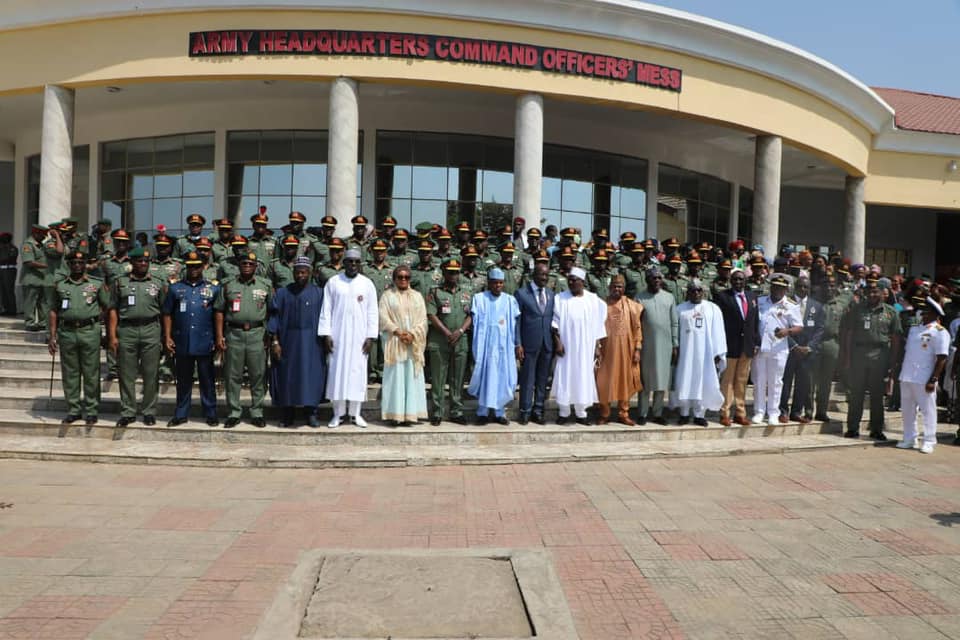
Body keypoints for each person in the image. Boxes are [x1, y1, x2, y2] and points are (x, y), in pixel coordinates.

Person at [318, 249, 379, 428]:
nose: (353, 265)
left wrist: (370, 337)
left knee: (357, 375)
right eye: (350, 261)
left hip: (360, 338)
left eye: (356, 262)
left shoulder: (367, 284)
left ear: (360, 264)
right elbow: (326, 310)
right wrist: (326, 334)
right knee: (337, 374)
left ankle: (355, 414)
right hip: (337, 337)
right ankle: (337, 413)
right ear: (344, 263)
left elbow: (372, 312)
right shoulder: (333, 282)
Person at [48, 251, 109, 426]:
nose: (77, 265)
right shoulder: (60, 285)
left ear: (85, 265)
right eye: (73, 262)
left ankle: (91, 410)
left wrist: (101, 325)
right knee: (70, 373)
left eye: (80, 262)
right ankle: (73, 409)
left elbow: (108, 307)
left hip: (89, 330)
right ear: (68, 264)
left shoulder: (96, 284)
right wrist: (52, 336)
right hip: (67, 332)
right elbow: (53, 310)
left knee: (91, 373)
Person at [107, 247, 167, 428]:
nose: (143, 264)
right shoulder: (119, 282)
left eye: (146, 261)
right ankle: (128, 411)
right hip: (127, 330)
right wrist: (111, 336)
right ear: (131, 263)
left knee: (151, 374)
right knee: (127, 374)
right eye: (139, 261)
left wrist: (166, 336)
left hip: (151, 329)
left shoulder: (158, 282)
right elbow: (112, 310)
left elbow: (165, 312)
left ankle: (149, 411)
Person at [214, 252, 273, 428]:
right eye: (244, 263)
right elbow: (219, 311)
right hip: (234, 334)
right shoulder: (228, 285)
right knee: (233, 376)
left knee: (258, 375)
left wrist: (270, 334)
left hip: (257, 334)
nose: (247, 265)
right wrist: (219, 336)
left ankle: (257, 412)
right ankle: (234, 412)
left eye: (250, 263)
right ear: (239, 265)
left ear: (256, 267)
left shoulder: (266, 285)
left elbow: (272, 311)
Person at [267, 256, 327, 427]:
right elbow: (274, 319)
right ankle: (287, 414)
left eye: (304, 272)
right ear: (292, 273)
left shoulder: (319, 293)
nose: (300, 275)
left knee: (312, 378)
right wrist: (275, 342)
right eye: (297, 272)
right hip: (288, 344)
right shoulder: (282, 293)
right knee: (287, 378)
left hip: (312, 345)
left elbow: (326, 318)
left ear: (310, 273)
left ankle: (311, 413)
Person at [163, 252, 220, 427]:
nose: (194, 269)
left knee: (207, 380)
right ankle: (181, 414)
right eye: (190, 266)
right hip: (182, 341)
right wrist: (167, 336)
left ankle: (210, 413)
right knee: (183, 380)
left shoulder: (214, 288)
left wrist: (218, 337)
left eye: (197, 266)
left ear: (203, 267)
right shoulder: (175, 288)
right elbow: (167, 313)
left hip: (205, 341)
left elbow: (218, 313)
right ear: (186, 267)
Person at [841, 278, 902, 439]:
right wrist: (847, 358)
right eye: (870, 292)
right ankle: (853, 428)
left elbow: (895, 338)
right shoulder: (857, 309)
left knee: (877, 396)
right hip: (859, 355)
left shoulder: (891, 312)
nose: (873, 294)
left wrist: (893, 362)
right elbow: (849, 333)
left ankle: (876, 429)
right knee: (856, 394)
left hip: (880, 357)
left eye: (876, 291)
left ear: (883, 293)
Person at [551, 267, 607, 425]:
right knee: (565, 375)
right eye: (569, 280)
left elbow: (598, 325)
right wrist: (558, 342)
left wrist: (597, 347)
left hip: (585, 347)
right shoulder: (560, 298)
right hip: (566, 346)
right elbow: (554, 323)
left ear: (582, 282)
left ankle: (581, 413)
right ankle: (564, 412)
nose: (571, 282)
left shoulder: (593, 300)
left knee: (583, 376)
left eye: (574, 280)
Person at [467, 268, 520, 425]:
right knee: (486, 378)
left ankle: (499, 413)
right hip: (486, 348)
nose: (498, 286)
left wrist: (517, 343)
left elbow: (516, 324)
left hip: (504, 347)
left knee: (502, 378)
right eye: (495, 283)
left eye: (500, 283)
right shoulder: (479, 298)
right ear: (489, 283)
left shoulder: (510, 300)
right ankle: (482, 412)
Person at [379, 265, 429, 426]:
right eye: (400, 277)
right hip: (395, 342)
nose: (403, 280)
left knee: (411, 378)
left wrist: (412, 334)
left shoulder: (417, 296)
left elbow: (423, 320)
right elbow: (382, 317)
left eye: (406, 277)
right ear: (394, 279)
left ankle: (411, 415)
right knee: (396, 378)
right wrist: (398, 332)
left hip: (412, 344)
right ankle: (395, 415)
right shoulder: (387, 296)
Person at [899, 297, 949, 454]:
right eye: (921, 310)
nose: (921, 314)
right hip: (907, 375)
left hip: (924, 377)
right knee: (907, 410)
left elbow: (942, 358)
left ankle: (929, 440)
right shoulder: (915, 328)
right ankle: (909, 438)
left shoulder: (940, 332)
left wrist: (933, 379)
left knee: (928, 411)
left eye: (925, 311)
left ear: (935, 314)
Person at [425, 259, 472, 425]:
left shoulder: (466, 292)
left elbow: (471, 315)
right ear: (443, 273)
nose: (453, 275)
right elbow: (431, 314)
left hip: (461, 341)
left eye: (456, 272)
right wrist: (446, 332)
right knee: (438, 378)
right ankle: (437, 412)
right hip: (440, 340)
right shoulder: (435, 292)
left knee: (457, 378)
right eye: (450, 272)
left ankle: (456, 411)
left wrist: (459, 331)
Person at [673, 280, 727, 426]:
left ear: (703, 292)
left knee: (702, 382)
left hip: (705, 356)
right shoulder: (680, 309)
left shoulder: (712, 308)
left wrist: (718, 353)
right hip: (685, 355)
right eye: (692, 290)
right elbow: (675, 333)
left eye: (699, 290)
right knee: (684, 381)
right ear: (687, 293)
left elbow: (719, 331)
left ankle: (699, 414)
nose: (696, 293)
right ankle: (684, 413)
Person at [752, 275, 803, 425]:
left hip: (779, 348)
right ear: (771, 287)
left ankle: (773, 412)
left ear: (786, 289)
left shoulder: (791, 305)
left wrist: (787, 331)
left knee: (776, 381)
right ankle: (759, 411)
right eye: (775, 287)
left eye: (781, 288)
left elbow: (799, 326)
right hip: (761, 348)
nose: (778, 290)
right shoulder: (760, 301)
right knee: (759, 380)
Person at [595, 275, 642, 425]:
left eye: (620, 286)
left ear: (624, 288)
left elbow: (637, 329)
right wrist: (596, 346)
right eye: (614, 286)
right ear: (609, 288)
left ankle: (623, 413)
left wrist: (637, 349)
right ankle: (604, 413)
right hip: (606, 351)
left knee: (626, 380)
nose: (617, 289)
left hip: (627, 351)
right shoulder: (602, 305)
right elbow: (595, 327)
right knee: (604, 381)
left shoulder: (632, 306)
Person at [714, 269, 759, 426]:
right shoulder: (723, 297)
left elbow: (755, 322)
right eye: (735, 280)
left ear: (745, 281)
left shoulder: (752, 297)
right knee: (727, 381)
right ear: (730, 281)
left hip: (746, 346)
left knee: (742, 380)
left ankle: (740, 413)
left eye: (740, 279)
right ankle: (724, 412)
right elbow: (718, 323)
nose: (738, 282)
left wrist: (756, 343)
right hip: (730, 345)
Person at [636, 267, 678, 425]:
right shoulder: (639, 298)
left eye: (659, 278)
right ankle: (642, 413)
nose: (657, 281)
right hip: (646, 345)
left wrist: (675, 344)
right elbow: (636, 324)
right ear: (647, 280)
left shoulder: (669, 297)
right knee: (645, 381)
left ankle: (658, 413)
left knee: (662, 381)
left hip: (666, 345)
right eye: (653, 278)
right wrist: (637, 345)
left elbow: (674, 323)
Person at [515, 263, 555, 425]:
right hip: (529, 343)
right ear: (533, 275)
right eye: (541, 275)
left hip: (547, 343)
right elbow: (516, 322)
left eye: (546, 275)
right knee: (527, 379)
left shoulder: (552, 295)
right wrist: (518, 343)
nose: (544, 278)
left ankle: (538, 410)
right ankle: (524, 410)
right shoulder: (521, 294)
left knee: (542, 379)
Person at [780, 276, 824, 422]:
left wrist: (809, 347)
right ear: (795, 287)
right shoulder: (786, 303)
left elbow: (820, 329)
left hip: (807, 352)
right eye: (800, 286)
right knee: (786, 382)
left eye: (806, 287)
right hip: (789, 349)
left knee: (802, 383)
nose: (802, 289)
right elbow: (782, 326)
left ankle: (796, 412)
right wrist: (794, 346)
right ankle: (783, 411)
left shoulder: (816, 306)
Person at [812, 273, 847, 421]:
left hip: (832, 344)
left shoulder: (841, 305)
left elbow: (846, 328)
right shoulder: (812, 303)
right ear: (821, 286)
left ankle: (821, 411)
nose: (829, 288)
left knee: (825, 382)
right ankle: (807, 410)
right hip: (814, 344)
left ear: (837, 287)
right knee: (810, 381)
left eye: (832, 285)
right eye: (826, 284)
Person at [20, 224, 49, 331]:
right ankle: (30, 323)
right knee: (30, 303)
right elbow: (29, 262)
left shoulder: (41, 245)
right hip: (31, 279)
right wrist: (47, 267)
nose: (44, 238)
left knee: (43, 303)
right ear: (36, 233)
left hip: (42, 279)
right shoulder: (28, 245)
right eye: (42, 235)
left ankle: (43, 322)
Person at [0, 233, 18, 316]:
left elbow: (7, 258)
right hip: (1, 269)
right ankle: (5, 308)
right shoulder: (1, 248)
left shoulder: (12, 248)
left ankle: (12, 309)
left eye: (3, 238)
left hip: (9, 270)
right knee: (2, 290)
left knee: (9, 290)